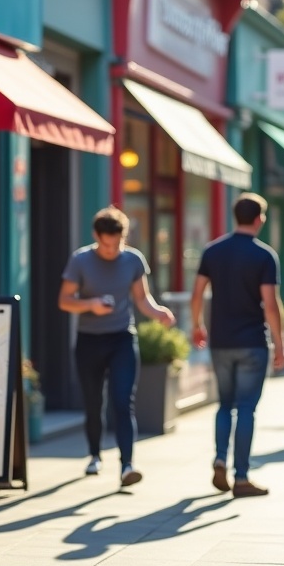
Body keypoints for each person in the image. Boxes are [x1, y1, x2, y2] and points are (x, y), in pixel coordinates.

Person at [59, 206, 176, 488]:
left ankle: (127, 465)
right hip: (89, 340)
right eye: (106, 244)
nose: (111, 250)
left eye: (117, 243)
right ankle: (94, 454)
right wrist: (90, 305)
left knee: (123, 401)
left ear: (124, 236)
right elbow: (64, 300)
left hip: (122, 337)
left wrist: (159, 312)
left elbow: (142, 299)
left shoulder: (133, 260)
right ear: (96, 236)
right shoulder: (81, 260)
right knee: (93, 401)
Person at [190, 193, 284, 497]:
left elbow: (197, 294)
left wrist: (197, 326)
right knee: (246, 408)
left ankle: (220, 457)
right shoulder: (264, 256)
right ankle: (241, 476)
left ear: (236, 216)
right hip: (252, 342)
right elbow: (270, 305)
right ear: (259, 219)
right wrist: (280, 343)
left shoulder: (213, 251)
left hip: (220, 341)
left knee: (224, 405)